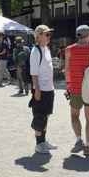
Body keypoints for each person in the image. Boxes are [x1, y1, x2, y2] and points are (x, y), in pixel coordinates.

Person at [64, 25, 89, 155]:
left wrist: (68, 85)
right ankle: (88, 145)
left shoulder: (69, 49)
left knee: (74, 115)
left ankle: (78, 140)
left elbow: (67, 69)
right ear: (87, 37)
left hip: (74, 87)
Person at [29, 25, 57, 154]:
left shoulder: (46, 49)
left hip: (49, 88)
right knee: (39, 116)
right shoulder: (35, 51)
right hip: (41, 89)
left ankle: (43, 141)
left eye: (49, 34)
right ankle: (38, 144)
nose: (49, 37)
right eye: (47, 34)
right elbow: (34, 73)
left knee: (46, 116)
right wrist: (37, 90)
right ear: (39, 36)